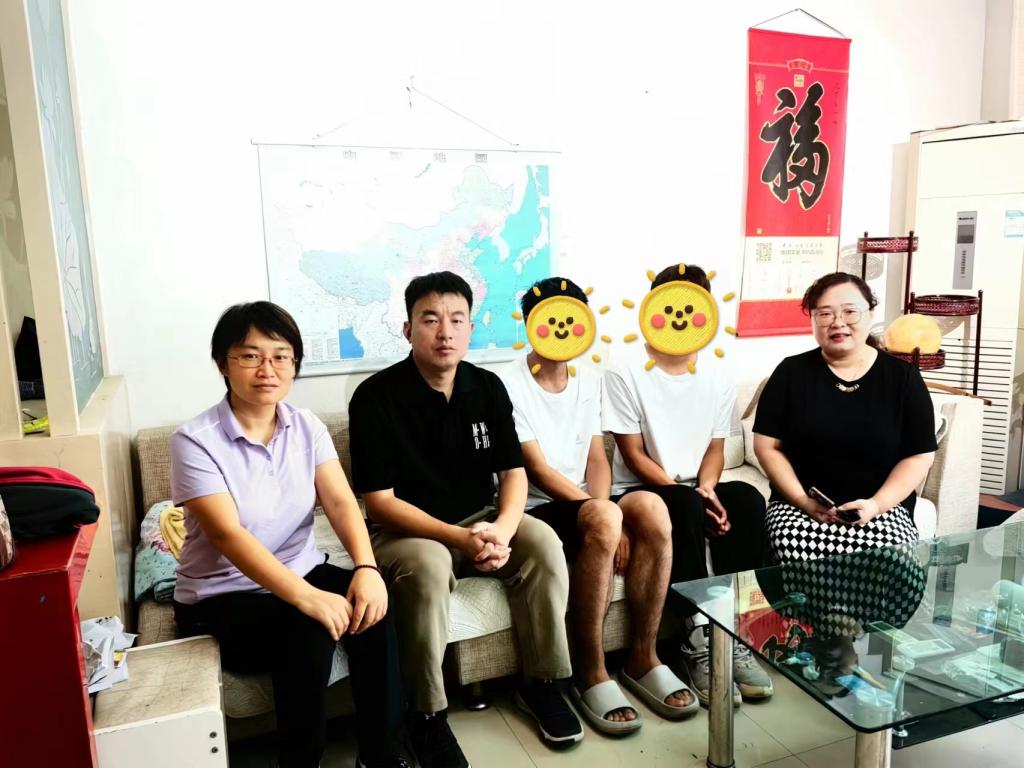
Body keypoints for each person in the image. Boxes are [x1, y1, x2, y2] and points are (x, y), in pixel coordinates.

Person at [349, 271, 582, 768]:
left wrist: (502, 530)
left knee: (543, 543)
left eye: (457, 320)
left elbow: (513, 474)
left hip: (480, 518)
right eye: (430, 319)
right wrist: (459, 537)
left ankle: (543, 683)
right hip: (405, 531)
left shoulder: (487, 387)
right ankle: (426, 715)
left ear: (471, 329)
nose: (445, 332)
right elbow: (379, 502)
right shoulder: (374, 397)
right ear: (408, 329)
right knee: (429, 567)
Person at [171, 301, 408, 768]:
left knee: (375, 607)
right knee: (307, 630)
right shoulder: (194, 441)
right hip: (222, 594)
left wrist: (366, 568)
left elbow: (340, 502)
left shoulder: (306, 426)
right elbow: (228, 535)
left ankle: (381, 754)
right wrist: (309, 598)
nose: (268, 369)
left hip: (301, 568)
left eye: (281, 356)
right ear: (223, 363)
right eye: (250, 356)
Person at [502, 276, 698, 735]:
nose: (562, 328)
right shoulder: (506, 383)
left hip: (587, 501)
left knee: (652, 508)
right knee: (608, 516)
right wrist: (604, 513)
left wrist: (607, 506)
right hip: (535, 507)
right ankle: (590, 670)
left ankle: (643, 657)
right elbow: (537, 469)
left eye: (572, 317)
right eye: (550, 318)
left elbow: (596, 456)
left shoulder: (588, 380)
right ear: (531, 324)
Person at [602, 263, 773, 706]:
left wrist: (709, 490)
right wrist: (690, 496)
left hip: (696, 484)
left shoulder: (717, 372)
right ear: (652, 308)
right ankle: (696, 635)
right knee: (682, 505)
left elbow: (716, 447)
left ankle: (739, 632)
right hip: (640, 488)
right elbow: (633, 453)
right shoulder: (624, 367)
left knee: (748, 499)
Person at [752, 272, 937, 563]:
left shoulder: (902, 378)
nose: (838, 322)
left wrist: (876, 505)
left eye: (850, 312)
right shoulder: (790, 373)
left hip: (882, 508)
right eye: (825, 314)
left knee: (893, 558)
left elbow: (919, 455)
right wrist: (802, 500)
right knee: (791, 550)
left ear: (870, 314)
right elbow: (766, 447)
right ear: (813, 320)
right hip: (799, 508)